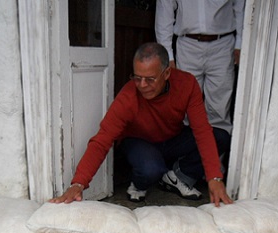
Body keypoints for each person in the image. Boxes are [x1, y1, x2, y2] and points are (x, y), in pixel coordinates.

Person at [50, 42, 233, 206]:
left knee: (220, 137)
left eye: (150, 79)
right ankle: (138, 184)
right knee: (150, 169)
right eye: (137, 78)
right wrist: (78, 183)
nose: (142, 85)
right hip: (138, 143)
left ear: (167, 73)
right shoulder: (128, 96)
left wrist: (214, 177)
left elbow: (201, 130)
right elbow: (102, 140)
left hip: (172, 139)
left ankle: (176, 177)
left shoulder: (187, 84)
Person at [155, 0, 246, 135]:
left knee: (219, 110)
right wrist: (167, 55)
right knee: (185, 107)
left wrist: (240, 42)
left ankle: (214, 155)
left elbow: (240, 6)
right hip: (187, 45)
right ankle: (189, 155)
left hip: (223, 44)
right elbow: (164, 10)